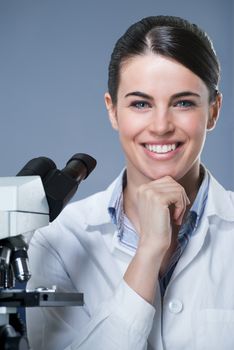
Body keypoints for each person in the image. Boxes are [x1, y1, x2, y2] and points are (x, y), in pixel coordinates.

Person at [26, 15, 234, 350]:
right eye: (140, 103)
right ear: (113, 111)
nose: (161, 125)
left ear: (213, 111)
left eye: (183, 103)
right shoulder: (58, 241)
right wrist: (148, 254)